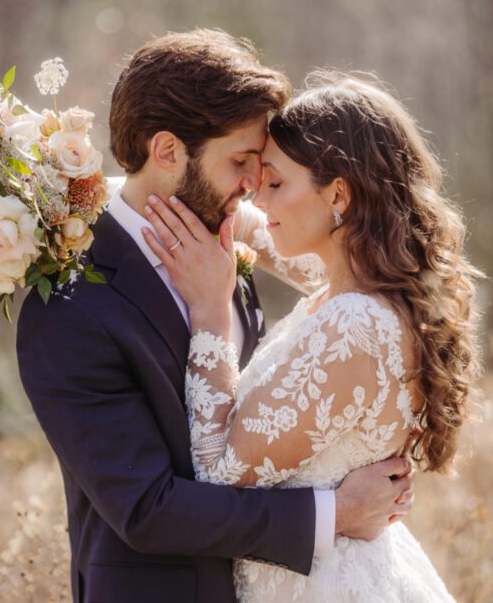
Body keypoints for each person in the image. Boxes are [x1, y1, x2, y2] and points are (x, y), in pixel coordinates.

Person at [17, 32, 413, 603]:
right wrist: (336, 510)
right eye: (239, 161)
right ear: (168, 151)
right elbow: (147, 510)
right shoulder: (71, 309)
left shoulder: (226, 238)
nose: (255, 184)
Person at [142, 69, 480, 602]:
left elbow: (218, 472)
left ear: (338, 194)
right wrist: (73, 195)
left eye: (275, 183)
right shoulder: (366, 288)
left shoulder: (356, 324)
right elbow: (250, 225)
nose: (258, 197)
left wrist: (210, 310)